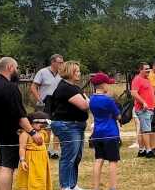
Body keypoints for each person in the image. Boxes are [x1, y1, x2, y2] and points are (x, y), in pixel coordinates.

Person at [0, 57, 42, 190]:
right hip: (9, 132)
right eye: (16, 68)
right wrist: (33, 132)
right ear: (10, 67)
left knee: (2, 165)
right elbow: (20, 115)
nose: (17, 71)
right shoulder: (10, 87)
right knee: (8, 167)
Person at [50, 61, 89, 190]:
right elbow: (84, 104)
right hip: (67, 125)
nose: (79, 73)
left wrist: (87, 101)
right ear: (70, 72)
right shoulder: (66, 88)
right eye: (76, 71)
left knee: (76, 156)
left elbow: (86, 101)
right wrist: (87, 101)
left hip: (77, 125)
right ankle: (65, 185)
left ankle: (72, 184)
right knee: (69, 157)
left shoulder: (75, 87)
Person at [89, 72, 121, 190]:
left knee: (99, 159)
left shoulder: (92, 99)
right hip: (110, 133)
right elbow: (118, 116)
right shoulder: (108, 100)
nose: (109, 86)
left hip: (97, 133)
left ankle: (96, 187)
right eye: (108, 84)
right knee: (113, 161)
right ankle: (113, 187)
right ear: (102, 85)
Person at [30, 53, 64, 158]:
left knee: (57, 127)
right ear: (53, 62)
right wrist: (39, 99)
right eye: (59, 62)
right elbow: (33, 87)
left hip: (58, 103)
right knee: (46, 127)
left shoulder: (62, 73)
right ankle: (45, 150)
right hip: (46, 103)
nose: (61, 64)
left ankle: (55, 151)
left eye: (62, 62)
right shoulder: (43, 72)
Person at [17, 111, 51, 190]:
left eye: (44, 124)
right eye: (39, 123)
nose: (42, 126)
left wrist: (48, 130)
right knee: (31, 178)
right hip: (30, 161)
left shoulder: (42, 133)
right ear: (31, 123)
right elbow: (22, 148)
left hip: (42, 160)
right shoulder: (25, 134)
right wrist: (22, 160)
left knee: (41, 177)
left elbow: (46, 142)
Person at [131, 62, 155, 158]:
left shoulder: (147, 79)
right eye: (146, 69)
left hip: (149, 109)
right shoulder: (137, 79)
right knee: (146, 130)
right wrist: (143, 102)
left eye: (149, 68)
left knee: (143, 130)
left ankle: (141, 150)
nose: (148, 70)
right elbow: (133, 93)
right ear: (140, 70)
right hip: (143, 109)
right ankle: (148, 151)